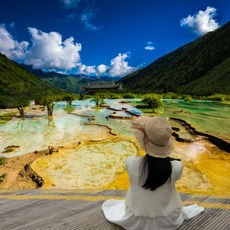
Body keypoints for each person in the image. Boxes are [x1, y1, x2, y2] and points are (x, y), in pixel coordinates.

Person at [102, 116, 204, 230]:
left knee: (111, 206)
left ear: (144, 141)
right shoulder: (176, 167)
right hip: (167, 220)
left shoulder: (131, 163)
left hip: (136, 218)